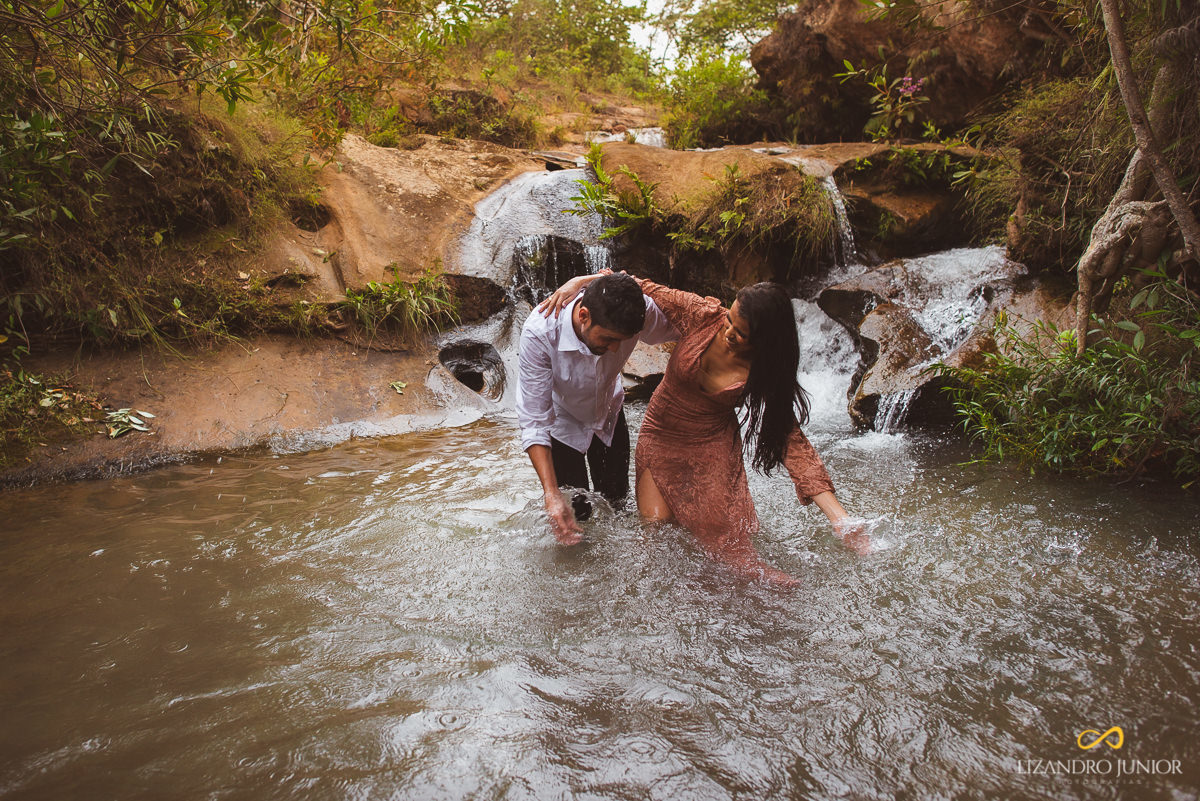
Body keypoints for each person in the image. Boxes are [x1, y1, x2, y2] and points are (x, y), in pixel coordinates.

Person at [541, 272, 865, 581]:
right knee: (656, 534)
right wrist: (578, 284)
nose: (727, 333)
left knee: (725, 543)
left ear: (765, 342)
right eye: (729, 320)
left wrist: (840, 519)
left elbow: (790, 440)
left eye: (740, 333)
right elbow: (637, 285)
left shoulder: (765, 372)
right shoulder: (704, 315)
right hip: (661, 433)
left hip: (711, 446)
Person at [517, 272, 677, 545]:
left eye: (623, 340)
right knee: (576, 514)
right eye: (609, 339)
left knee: (617, 500)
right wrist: (551, 494)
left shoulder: (639, 312)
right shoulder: (540, 332)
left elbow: (691, 319)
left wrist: (581, 280)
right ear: (583, 316)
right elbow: (534, 421)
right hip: (563, 424)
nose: (616, 349)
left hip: (609, 415)